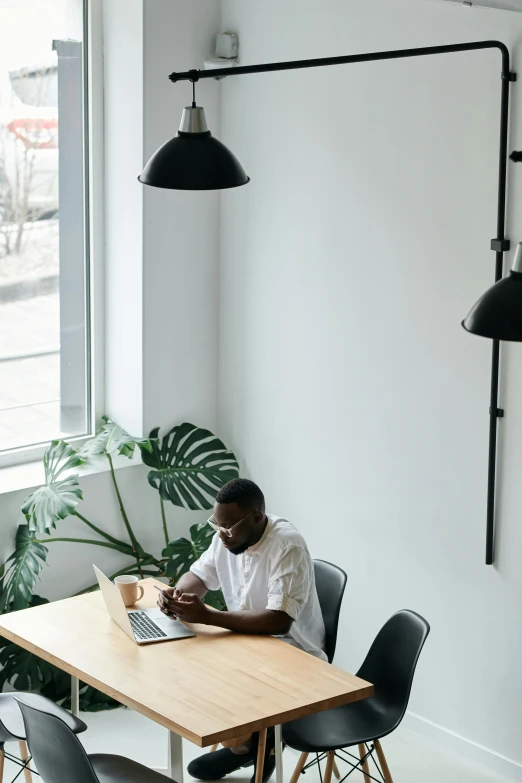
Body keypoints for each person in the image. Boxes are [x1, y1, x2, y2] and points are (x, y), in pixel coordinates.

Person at [158, 477, 326, 783]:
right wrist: (176, 595)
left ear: (257, 517)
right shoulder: (227, 535)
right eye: (217, 525)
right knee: (189, 675)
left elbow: (279, 621)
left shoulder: (286, 545)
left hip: (292, 651)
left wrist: (209, 616)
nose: (222, 534)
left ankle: (257, 745)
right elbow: (198, 575)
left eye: (229, 527)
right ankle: (249, 746)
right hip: (246, 641)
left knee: (223, 682)